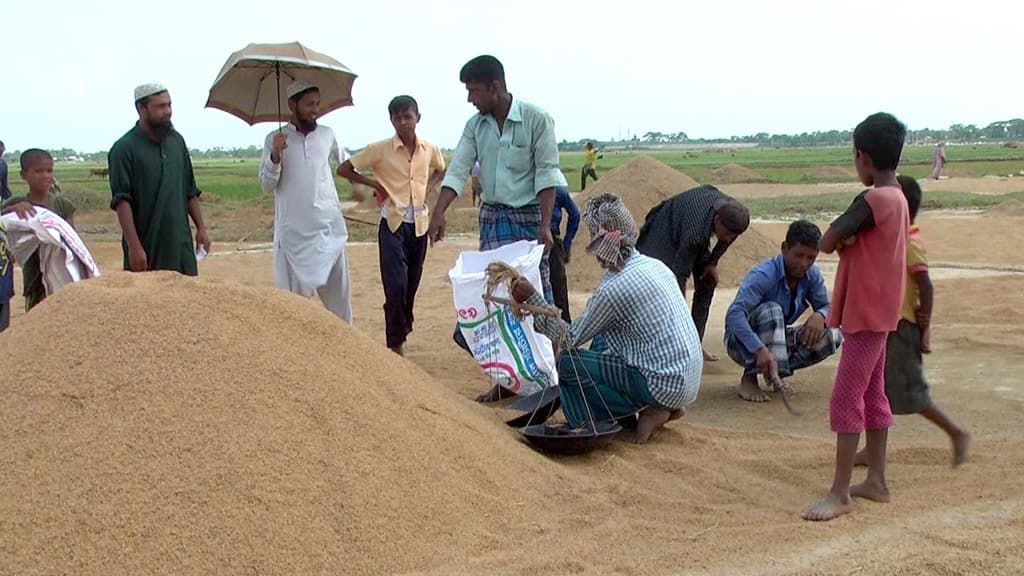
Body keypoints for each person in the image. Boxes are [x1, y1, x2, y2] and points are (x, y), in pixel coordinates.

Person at [429, 54, 568, 402]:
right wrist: (438, 212)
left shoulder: (537, 119)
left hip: (530, 219)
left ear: (495, 87)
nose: (469, 99)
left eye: (473, 91)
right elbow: (458, 169)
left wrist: (546, 225)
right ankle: (509, 383)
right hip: (493, 218)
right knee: (494, 298)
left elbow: (547, 174)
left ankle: (555, 382)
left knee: (535, 297)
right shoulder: (476, 126)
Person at [510, 193, 703, 443]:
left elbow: (569, 338)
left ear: (603, 245)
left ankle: (593, 421)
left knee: (567, 362)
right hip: (687, 382)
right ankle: (661, 408)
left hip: (661, 383)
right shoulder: (654, 265)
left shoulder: (613, 289)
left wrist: (533, 299)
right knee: (601, 339)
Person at [803, 112, 909, 522]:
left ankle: (840, 492)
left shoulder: (871, 200)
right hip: (882, 310)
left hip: (865, 314)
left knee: (846, 398)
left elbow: (827, 241)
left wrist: (845, 236)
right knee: (872, 394)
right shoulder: (898, 197)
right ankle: (877, 480)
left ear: (862, 157)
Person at [854, 175, 969, 468]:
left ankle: (955, 432)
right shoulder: (894, 239)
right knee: (875, 389)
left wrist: (925, 325)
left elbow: (926, 284)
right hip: (887, 324)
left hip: (902, 328)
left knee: (910, 393)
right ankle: (871, 450)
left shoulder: (909, 242)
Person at [338, 95, 446, 354]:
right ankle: (395, 345)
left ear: (417, 118)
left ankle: (402, 326)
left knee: (411, 284)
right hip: (393, 224)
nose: (403, 122)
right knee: (395, 286)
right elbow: (344, 169)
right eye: (397, 118)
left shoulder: (428, 149)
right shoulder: (380, 149)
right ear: (391, 120)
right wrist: (375, 185)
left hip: (418, 225)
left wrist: (428, 187)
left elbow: (441, 169)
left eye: (407, 116)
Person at [259, 80, 352, 323]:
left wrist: (368, 181)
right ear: (292, 105)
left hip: (329, 230)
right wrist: (276, 154)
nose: (315, 109)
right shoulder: (274, 139)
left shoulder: (327, 135)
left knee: (340, 308)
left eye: (317, 103)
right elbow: (267, 185)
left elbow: (346, 164)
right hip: (293, 237)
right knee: (293, 310)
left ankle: (348, 356)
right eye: (309, 104)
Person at [725, 219, 843, 402]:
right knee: (772, 311)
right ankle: (749, 377)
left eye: (810, 258)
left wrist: (820, 314)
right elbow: (734, 315)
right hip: (741, 344)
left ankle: (775, 373)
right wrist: (758, 349)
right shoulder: (764, 275)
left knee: (834, 334)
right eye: (799, 255)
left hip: (775, 339)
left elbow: (829, 307)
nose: (804, 263)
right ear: (784, 248)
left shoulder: (812, 275)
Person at [636, 185, 750, 361]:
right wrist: (679, 311)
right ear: (717, 220)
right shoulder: (695, 235)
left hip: (690, 225)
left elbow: (726, 238)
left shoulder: (731, 212)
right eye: (727, 234)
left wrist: (712, 263)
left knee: (707, 281)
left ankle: (694, 344)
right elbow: (679, 276)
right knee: (663, 287)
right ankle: (674, 347)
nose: (729, 240)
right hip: (664, 231)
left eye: (734, 236)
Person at [109, 83, 210, 276]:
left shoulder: (176, 142)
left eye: (169, 105)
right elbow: (122, 201)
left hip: (180, 243)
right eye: (161, 106)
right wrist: (134, 246)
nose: (168, 111)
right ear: (141, 109)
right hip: (147, 245)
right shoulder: (123, 149)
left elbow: (190, 190)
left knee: (186, 297)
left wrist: (201, 229)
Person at [0, 149, 76, 311]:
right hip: (33, 277)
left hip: (61, 275)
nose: (45, 176)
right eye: (38, 171)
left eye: (49, 171)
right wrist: (12, 209)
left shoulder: (62, 205)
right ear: (23, 174)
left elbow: (72, 240)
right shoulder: (17, 204)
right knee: (36, 317)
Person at [549, 185, 580, 322]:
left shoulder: (558, 191)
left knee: (557, 293)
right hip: (548, 244)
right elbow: (575, 214)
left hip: (546, 244)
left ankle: (564, 332)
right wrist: (566, 244)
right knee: (558, 290)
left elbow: (575, 215)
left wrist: (566, 244)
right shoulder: (557, 190)